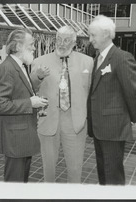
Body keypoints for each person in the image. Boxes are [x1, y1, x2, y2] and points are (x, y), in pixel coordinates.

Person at [30, 26, 94, 183]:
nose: (62, 43)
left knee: (75, 168)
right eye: (58, 39)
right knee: (48, 168)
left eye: (66, 40)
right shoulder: (39, 62)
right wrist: (38, 76)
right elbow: (31, 87)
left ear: (74, 42)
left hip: (76, 122)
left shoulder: (88, 62)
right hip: (48, 120)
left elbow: (93, 91)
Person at [87, 15, 136, 185]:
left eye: (93, 35)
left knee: (113, 175)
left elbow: (133, 91)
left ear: (105, 34)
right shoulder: (98, 58)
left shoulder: (121, 57)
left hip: (113, 128)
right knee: (103, 172)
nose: (90, 40)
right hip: (98, 128)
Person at [0, 28, 48, 182]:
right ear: (17, 46)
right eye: (31, 44)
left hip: (22, 137)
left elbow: (19, 95)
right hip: (15, 139)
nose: (34, 48)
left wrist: (35, 104)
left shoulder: (19, 66)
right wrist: (30, 102)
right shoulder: (7, 69)